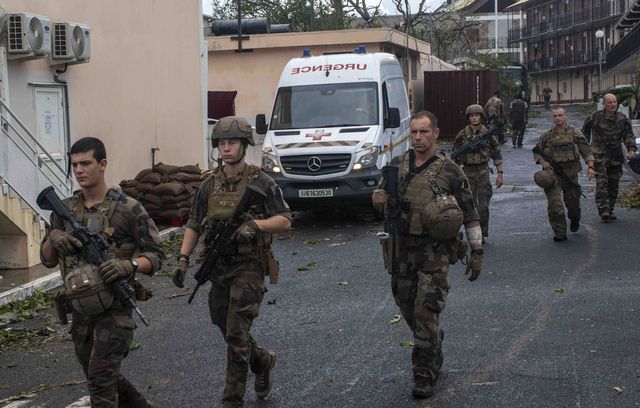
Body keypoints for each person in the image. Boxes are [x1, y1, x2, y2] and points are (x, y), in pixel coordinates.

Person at [170, 116, 291, 408]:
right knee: (225, 326)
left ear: (244, 144)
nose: (226, 148)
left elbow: (285, 220)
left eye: (232, 142)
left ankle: (231, 400)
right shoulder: (209, 184)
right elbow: (194, 223)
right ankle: (262, 361)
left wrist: (256, 226)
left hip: (249, 266)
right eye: (222, 143)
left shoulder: (261, 181)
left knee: (237, 333)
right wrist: (183, 260)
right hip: (218, 268)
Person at [40, 137, 163, 407]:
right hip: (80, 310)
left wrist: (128, 265)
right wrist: (54, 238)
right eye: (74, 165)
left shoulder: (129, 209)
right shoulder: (64, 209)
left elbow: (156, 255)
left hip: (115, 308)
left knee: (99, 378)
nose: (79, 170)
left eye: (86, 163)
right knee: (102, 375)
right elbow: (47, 260)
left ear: (103, 164)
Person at [372, 111, 483, 399]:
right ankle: (433, 340)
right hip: (401, 252)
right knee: (408, 308)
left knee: (425, 313)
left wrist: (477, 251)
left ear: (436, 132)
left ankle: (423, 375)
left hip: (434, 254)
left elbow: (470, 214)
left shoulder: (450, 171)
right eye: (414, 132)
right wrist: (378, 198)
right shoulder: (396, 167)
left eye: (424, 132)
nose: (418, 138)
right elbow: (380, 198)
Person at [533, 106, 595, 241]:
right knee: (555, 205)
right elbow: (537, 151)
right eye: (555, 116)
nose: (557, 118)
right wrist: (543, 162)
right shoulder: (547, 135)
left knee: (573, 205)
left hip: (570, 174)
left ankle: (575, 219)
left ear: (565, 116)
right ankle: (559, 232)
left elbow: (587, 151)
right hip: (553, 174)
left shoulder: (575, 133)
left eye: (560, 115)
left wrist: (590, 167)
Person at [581, 93, 638, 221]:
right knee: (602, 182)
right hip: (599, 156)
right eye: (609, 102)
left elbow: (628, 135)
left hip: (615, 157)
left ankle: (610, 208)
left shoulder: (622, 119)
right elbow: (584, 134)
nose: (612, 105)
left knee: (614, 184)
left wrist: (631, 148)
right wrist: (586, 151)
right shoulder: (594, 117)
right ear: (604, 104)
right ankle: (603, 209)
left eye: (614, 102)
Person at [452, 104, 504, 241]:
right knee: (468, 206)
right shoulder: (462, 135)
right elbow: (454, 157)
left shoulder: (488, 134)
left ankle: (482, 233)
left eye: (477, 115)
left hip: (483, 171)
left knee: (483, 206)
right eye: (472, 116)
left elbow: (496, 154)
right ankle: (472, 233)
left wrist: (500, 173)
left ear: (481, 117)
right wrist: (454, 177)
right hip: (467, 172)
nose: (474, 118)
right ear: (468, 118)